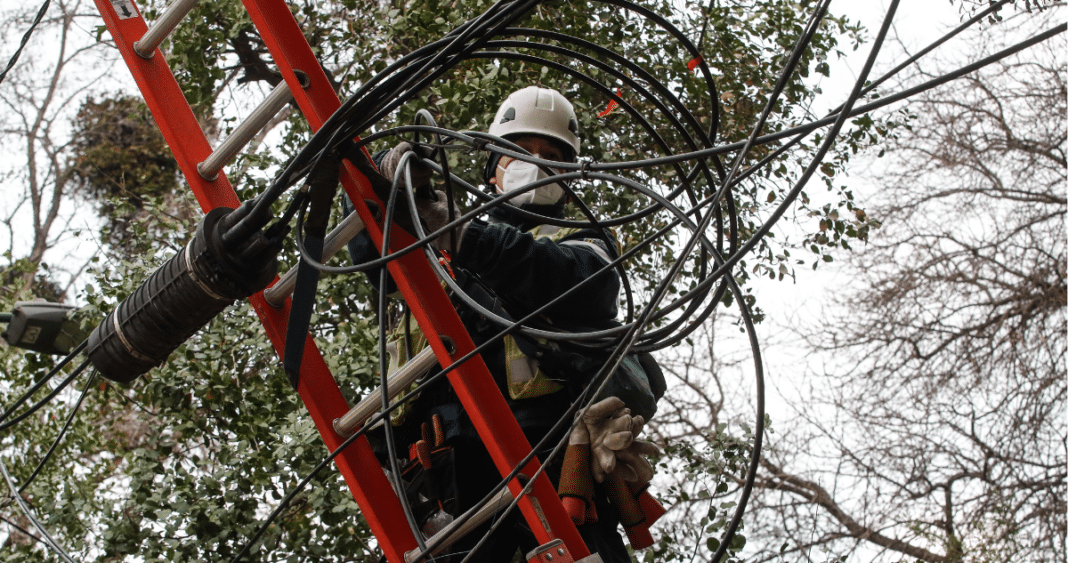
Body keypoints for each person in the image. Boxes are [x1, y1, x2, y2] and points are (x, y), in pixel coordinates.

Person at [343, 86, 658, 562]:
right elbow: (371, 248)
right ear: (492, 169)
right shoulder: (431, 246)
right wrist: (390, 176)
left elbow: (577, 283)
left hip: (547, 462)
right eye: (519, 151)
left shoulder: (582, 242)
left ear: (569, 177)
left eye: (552, 156)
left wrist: (460, 232)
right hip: (443, 470)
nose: (535, 163)